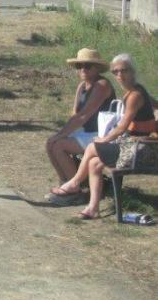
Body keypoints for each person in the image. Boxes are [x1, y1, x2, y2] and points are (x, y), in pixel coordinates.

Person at [48, 54, 156, 219]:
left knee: (93, 146)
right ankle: (93, 208)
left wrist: (104, 140)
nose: (119, 75)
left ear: (132, 71)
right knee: (94, 163)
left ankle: (75, 183)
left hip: (142, 149)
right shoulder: (132, 92)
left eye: (124, 70)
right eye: (115, 72)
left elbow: (122, 126)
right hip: (132, 145)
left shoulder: (135, 95)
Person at [44, 49, 115, 193]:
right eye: (79, 66)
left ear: (97, 68)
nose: (83, 69)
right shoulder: (82, 86)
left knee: (59, 146)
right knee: (50, 143)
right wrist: (60, 134)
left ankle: (75, 188)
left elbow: (84, 116)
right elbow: (75, 115)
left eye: (87, 66)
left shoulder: (101, 85)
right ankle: (64, 182)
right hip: (85, 131)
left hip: (100, 134)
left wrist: (61, 135)